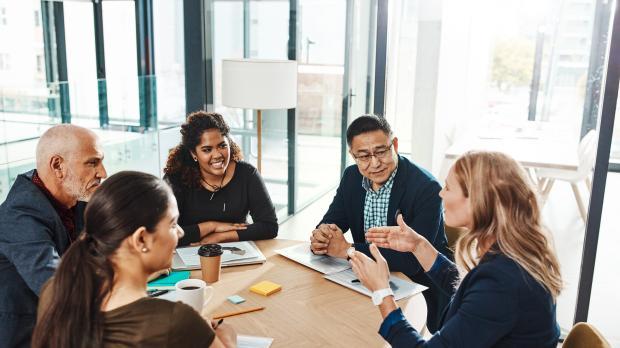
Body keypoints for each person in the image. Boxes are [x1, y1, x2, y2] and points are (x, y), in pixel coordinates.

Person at [350, 151, 563, 347]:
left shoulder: (504, 282)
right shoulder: (512, 251)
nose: (441, 194)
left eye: (448, 187)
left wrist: (382, 292)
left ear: (479, 200)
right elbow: (470, 290)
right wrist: (418, 245)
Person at [32, 171, 236, 347]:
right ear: (141, 239)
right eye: (173, 224)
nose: (181, 232)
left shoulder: (55, 291)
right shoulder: (176, 321)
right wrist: (227, 339)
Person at [310, 115, 450, 332]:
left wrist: (348, 250)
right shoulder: (352, 177)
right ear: (353, 155)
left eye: (381, 152)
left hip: (416, 288)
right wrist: (323, 235)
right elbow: (333, 220)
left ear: (394, 144)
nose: (374, 163)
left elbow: (413, 261)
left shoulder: (426, 187)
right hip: (365, 283)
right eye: (363, 156)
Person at [0, 124, 107, 347]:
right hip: (30, 337)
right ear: (58, 166)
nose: (103, 173)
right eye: (92, 162)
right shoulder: (19, 214)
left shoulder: (74, 200)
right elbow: (56, 286)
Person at [164, 111, 278, 247]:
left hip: (237, 253)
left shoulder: (247, 174)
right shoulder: (175, 179)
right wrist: (212, 226)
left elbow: (269, 226)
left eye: (222, 146)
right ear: (193, 153)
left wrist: (221, 237)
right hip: (187, 254)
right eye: (207, 150)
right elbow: (164, 234)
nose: (217, 155)